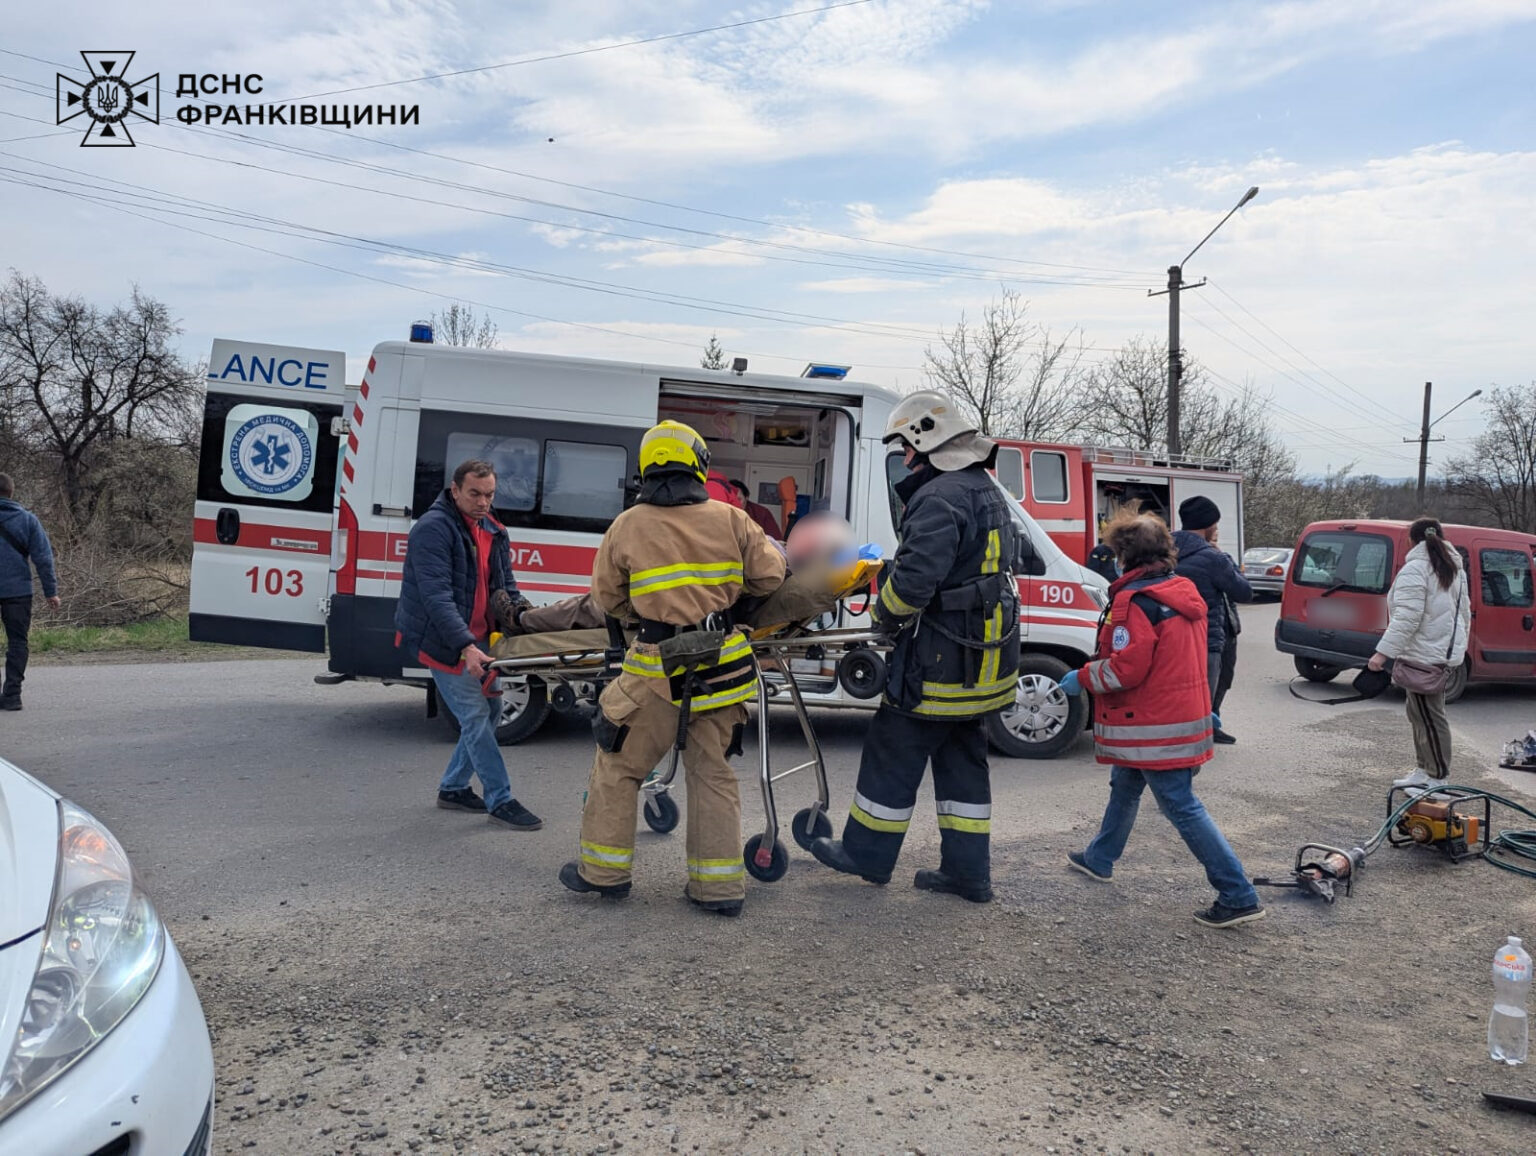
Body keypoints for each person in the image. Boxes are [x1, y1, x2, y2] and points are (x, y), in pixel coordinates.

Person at [559, 420, 785, 916]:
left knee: (618, 767)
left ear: (646, 469)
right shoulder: (732, 518)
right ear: (699, 465)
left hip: (656, 671)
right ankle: (718, 889)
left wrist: (646, 612)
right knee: (713, 776)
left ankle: (604, 873)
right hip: (722, 671)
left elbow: (608, 598)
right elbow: (770, 576)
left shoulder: (627, 525)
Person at [809, 391, 1020, 904]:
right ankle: (969, 876)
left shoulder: (939, 496)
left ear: (928, 442)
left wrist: (883, 616)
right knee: (963, 766)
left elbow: (916, 583)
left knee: (892, 751)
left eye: (906, 446)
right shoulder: (984, 488)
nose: (904, 456)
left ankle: (866, 856)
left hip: (940, 660)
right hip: (983, 660)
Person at [1061, 511, 1265, 929]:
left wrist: (1082, 677)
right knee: (1125, 784)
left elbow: (1125, 670)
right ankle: (1100, 858)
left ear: (1124, 555)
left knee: (1181, 806)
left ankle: (1238, 893)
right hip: (1175, 718)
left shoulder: (1135, 601)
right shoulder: (1181, 590)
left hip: (1151, 724)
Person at [395, 460, 543, 830]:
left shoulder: (493, 529)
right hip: (444, 638)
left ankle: (453, 788)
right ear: (455, 489)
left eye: (489, 495)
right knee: (476, 716)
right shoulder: (432, 530)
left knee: (491, 715)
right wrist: (466, 646)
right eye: (475, 493)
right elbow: (436, 597)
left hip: (480, 637)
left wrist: (524, 621)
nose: (482, 502)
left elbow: (506, 589)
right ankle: (500, 799)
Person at [1366, 516, 1470, 790]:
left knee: (1430, 716)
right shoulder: (1453, 567)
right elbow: (1464, 614)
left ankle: (1436, 776)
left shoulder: (1417, 569)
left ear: (1412, 540)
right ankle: (1425, 770)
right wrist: (1457, 649)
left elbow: (1407, 618)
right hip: (1436, 652)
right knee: (1420, 713)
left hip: (1424, 653)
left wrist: (1381, 654)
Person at [1171, 495, 1251, 745]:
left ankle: (1203, 728)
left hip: (1178, 633)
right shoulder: (1213, 557)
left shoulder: (1164, 550)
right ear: (1209, 525)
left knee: (1185, 689)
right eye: (1215, 524)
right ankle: (1201, 735)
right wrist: (1223, 556)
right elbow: (1244, 592)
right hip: (1212, 636)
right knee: (1212, 686)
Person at [0, 474, 60, 711]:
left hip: (16, 589)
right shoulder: (28, 520)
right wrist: (50, 591)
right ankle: (12, 695)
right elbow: (43, 559)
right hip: (18, 592)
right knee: (17, 642)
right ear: (12, 492)